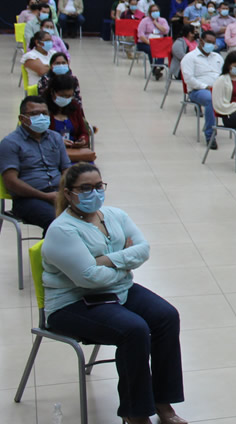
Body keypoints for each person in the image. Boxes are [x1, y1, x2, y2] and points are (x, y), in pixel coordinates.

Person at [41, 163, 186, 424]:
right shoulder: (62, 230)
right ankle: (136, 413)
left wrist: (104, 260)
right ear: (69, 193)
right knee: (134, 330)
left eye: (98, 186)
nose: (94, 192)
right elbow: (88, 278)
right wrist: (124, 264)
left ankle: (163, 403)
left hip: (117, 292)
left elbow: (143, 249)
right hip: (72, 303)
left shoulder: (115, 215)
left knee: (167, 316)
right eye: (85, 188)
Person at [0, 96, 71, 230]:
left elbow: (67, 169)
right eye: (34, 114)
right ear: (22, 118)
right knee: (56, 222)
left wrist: (65, 192)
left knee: (90, 215)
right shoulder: (10, 143)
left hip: (58, 194)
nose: (41, 117)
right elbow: (11, 182)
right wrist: (45, 196)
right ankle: (48, 251)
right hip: (28, 199)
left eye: (44, 113)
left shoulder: (55, 138)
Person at [180, 33, 225, 148]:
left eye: (213, 43)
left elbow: (225, 74)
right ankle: (210, 135)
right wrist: (206, 86)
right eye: (208, 42)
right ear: (201, 41)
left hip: (218, 88)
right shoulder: (190, 57)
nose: (210, 45)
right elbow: (189, 79)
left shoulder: (217, 57)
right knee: (210, 99)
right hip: (198, 90)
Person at [44, 74, 96, 164]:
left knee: (89, 172)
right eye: (63, 96)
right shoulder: (43, 109)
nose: (66, 99)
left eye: (69, 96)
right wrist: (59, 142)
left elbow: (83, 131)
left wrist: (82, 140)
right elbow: (40, 136)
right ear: (53, 92)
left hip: (74, 152)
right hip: (51, 153)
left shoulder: (74, 106)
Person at [137, 4, 170, 81]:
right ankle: (156, 68)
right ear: (149, 13)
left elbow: (166, 31)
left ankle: (157, 67)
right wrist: (149, 42)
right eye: (153, 11)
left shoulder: (162, 20)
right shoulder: (144, 21)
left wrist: (156, 23)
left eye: (156, 11)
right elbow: (140, 34)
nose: (155, 12)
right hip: (145, 42)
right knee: (151, 49)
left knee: (163, 48)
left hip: (159, 42)